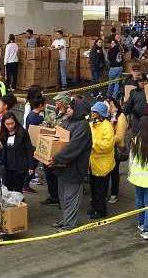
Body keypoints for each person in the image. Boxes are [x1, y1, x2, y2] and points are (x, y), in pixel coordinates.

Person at [48, 99, 92, 231]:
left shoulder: (82, 126)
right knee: (63, 197)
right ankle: (66, 219)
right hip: (62, 167)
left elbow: (73, 147)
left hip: (74, 168)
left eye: (70, 108)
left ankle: (70, 224)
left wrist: (56, 158)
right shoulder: (68, 121)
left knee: (71, 197)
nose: (67, 109)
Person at [87, 102, 115, 219]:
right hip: (93, 163)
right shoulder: (93, 124)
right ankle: (95, 206)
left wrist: (92, 144)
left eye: (95, 112)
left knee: (100, 190)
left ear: (100, 114)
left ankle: (100, 210)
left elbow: (108, 145)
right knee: (93, 187)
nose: (92, 113)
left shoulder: (107, 126)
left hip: (102, 164)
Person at [0, 112, 33, 193]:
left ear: (15, 122)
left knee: (18, 189)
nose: (10, 126)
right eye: (7, 124)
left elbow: (29, 149)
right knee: (8, 188)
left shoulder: (23, 132)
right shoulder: (4, 133)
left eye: (12, 123)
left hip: (20, 165)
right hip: (8, 166)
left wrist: (31, 166)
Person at [106, 97, 128, 204]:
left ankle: (114, 193)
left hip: (115, 148)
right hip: (107, 148)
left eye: (111, 105)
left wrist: (106, 140)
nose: (110, 108)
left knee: (114, 172)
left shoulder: (121, 116)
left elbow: (119, 136)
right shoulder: (106, 116)